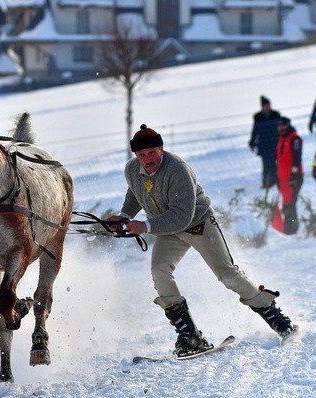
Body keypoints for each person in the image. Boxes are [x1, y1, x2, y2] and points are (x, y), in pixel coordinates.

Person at [106, 124, 298, 357]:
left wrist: (145, 226)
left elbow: (182, 215)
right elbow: (136, 194)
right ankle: (189, 334)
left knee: (227, 274)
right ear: (136, 156)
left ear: (162, 149)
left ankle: (278, 318)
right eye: (141, 155)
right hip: (167, 230)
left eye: (152, 153)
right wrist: (124, 216)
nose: (147, 159)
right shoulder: (132, 169)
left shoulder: (178, 170)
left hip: (199, 226)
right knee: (159, 271)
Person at [275, 116, 303, 235]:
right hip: (282, 179)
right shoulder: (281, 139)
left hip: (293, 178)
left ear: (288, 125)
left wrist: (294, 175)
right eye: (279, 126)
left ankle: (293, 229)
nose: (281, 128)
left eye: (283, 125)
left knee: (291, 204)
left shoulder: (294, 138)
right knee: (286, 203)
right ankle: (287, 229)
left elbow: (297, 158)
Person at [249, 96, 281, 189]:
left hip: (275, 143)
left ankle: (275, 180)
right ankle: (266, 182)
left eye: (268, 105)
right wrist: (252, 142)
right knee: (266, 164)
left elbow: (281, 128)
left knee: (275, 163)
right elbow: (255, 130)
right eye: (265, 105)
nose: (267, 107)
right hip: (263, 145)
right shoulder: (258, 117)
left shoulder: (276, 115)